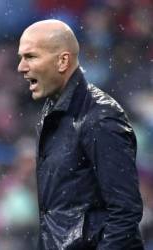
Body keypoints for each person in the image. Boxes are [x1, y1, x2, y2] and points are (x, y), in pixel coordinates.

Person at [17, 19, 144, 250]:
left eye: (31, 56)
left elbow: (125, 213)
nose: (21, 67)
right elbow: (57, 217)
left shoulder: (99, 118)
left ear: (63, 61)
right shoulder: (52, 112)